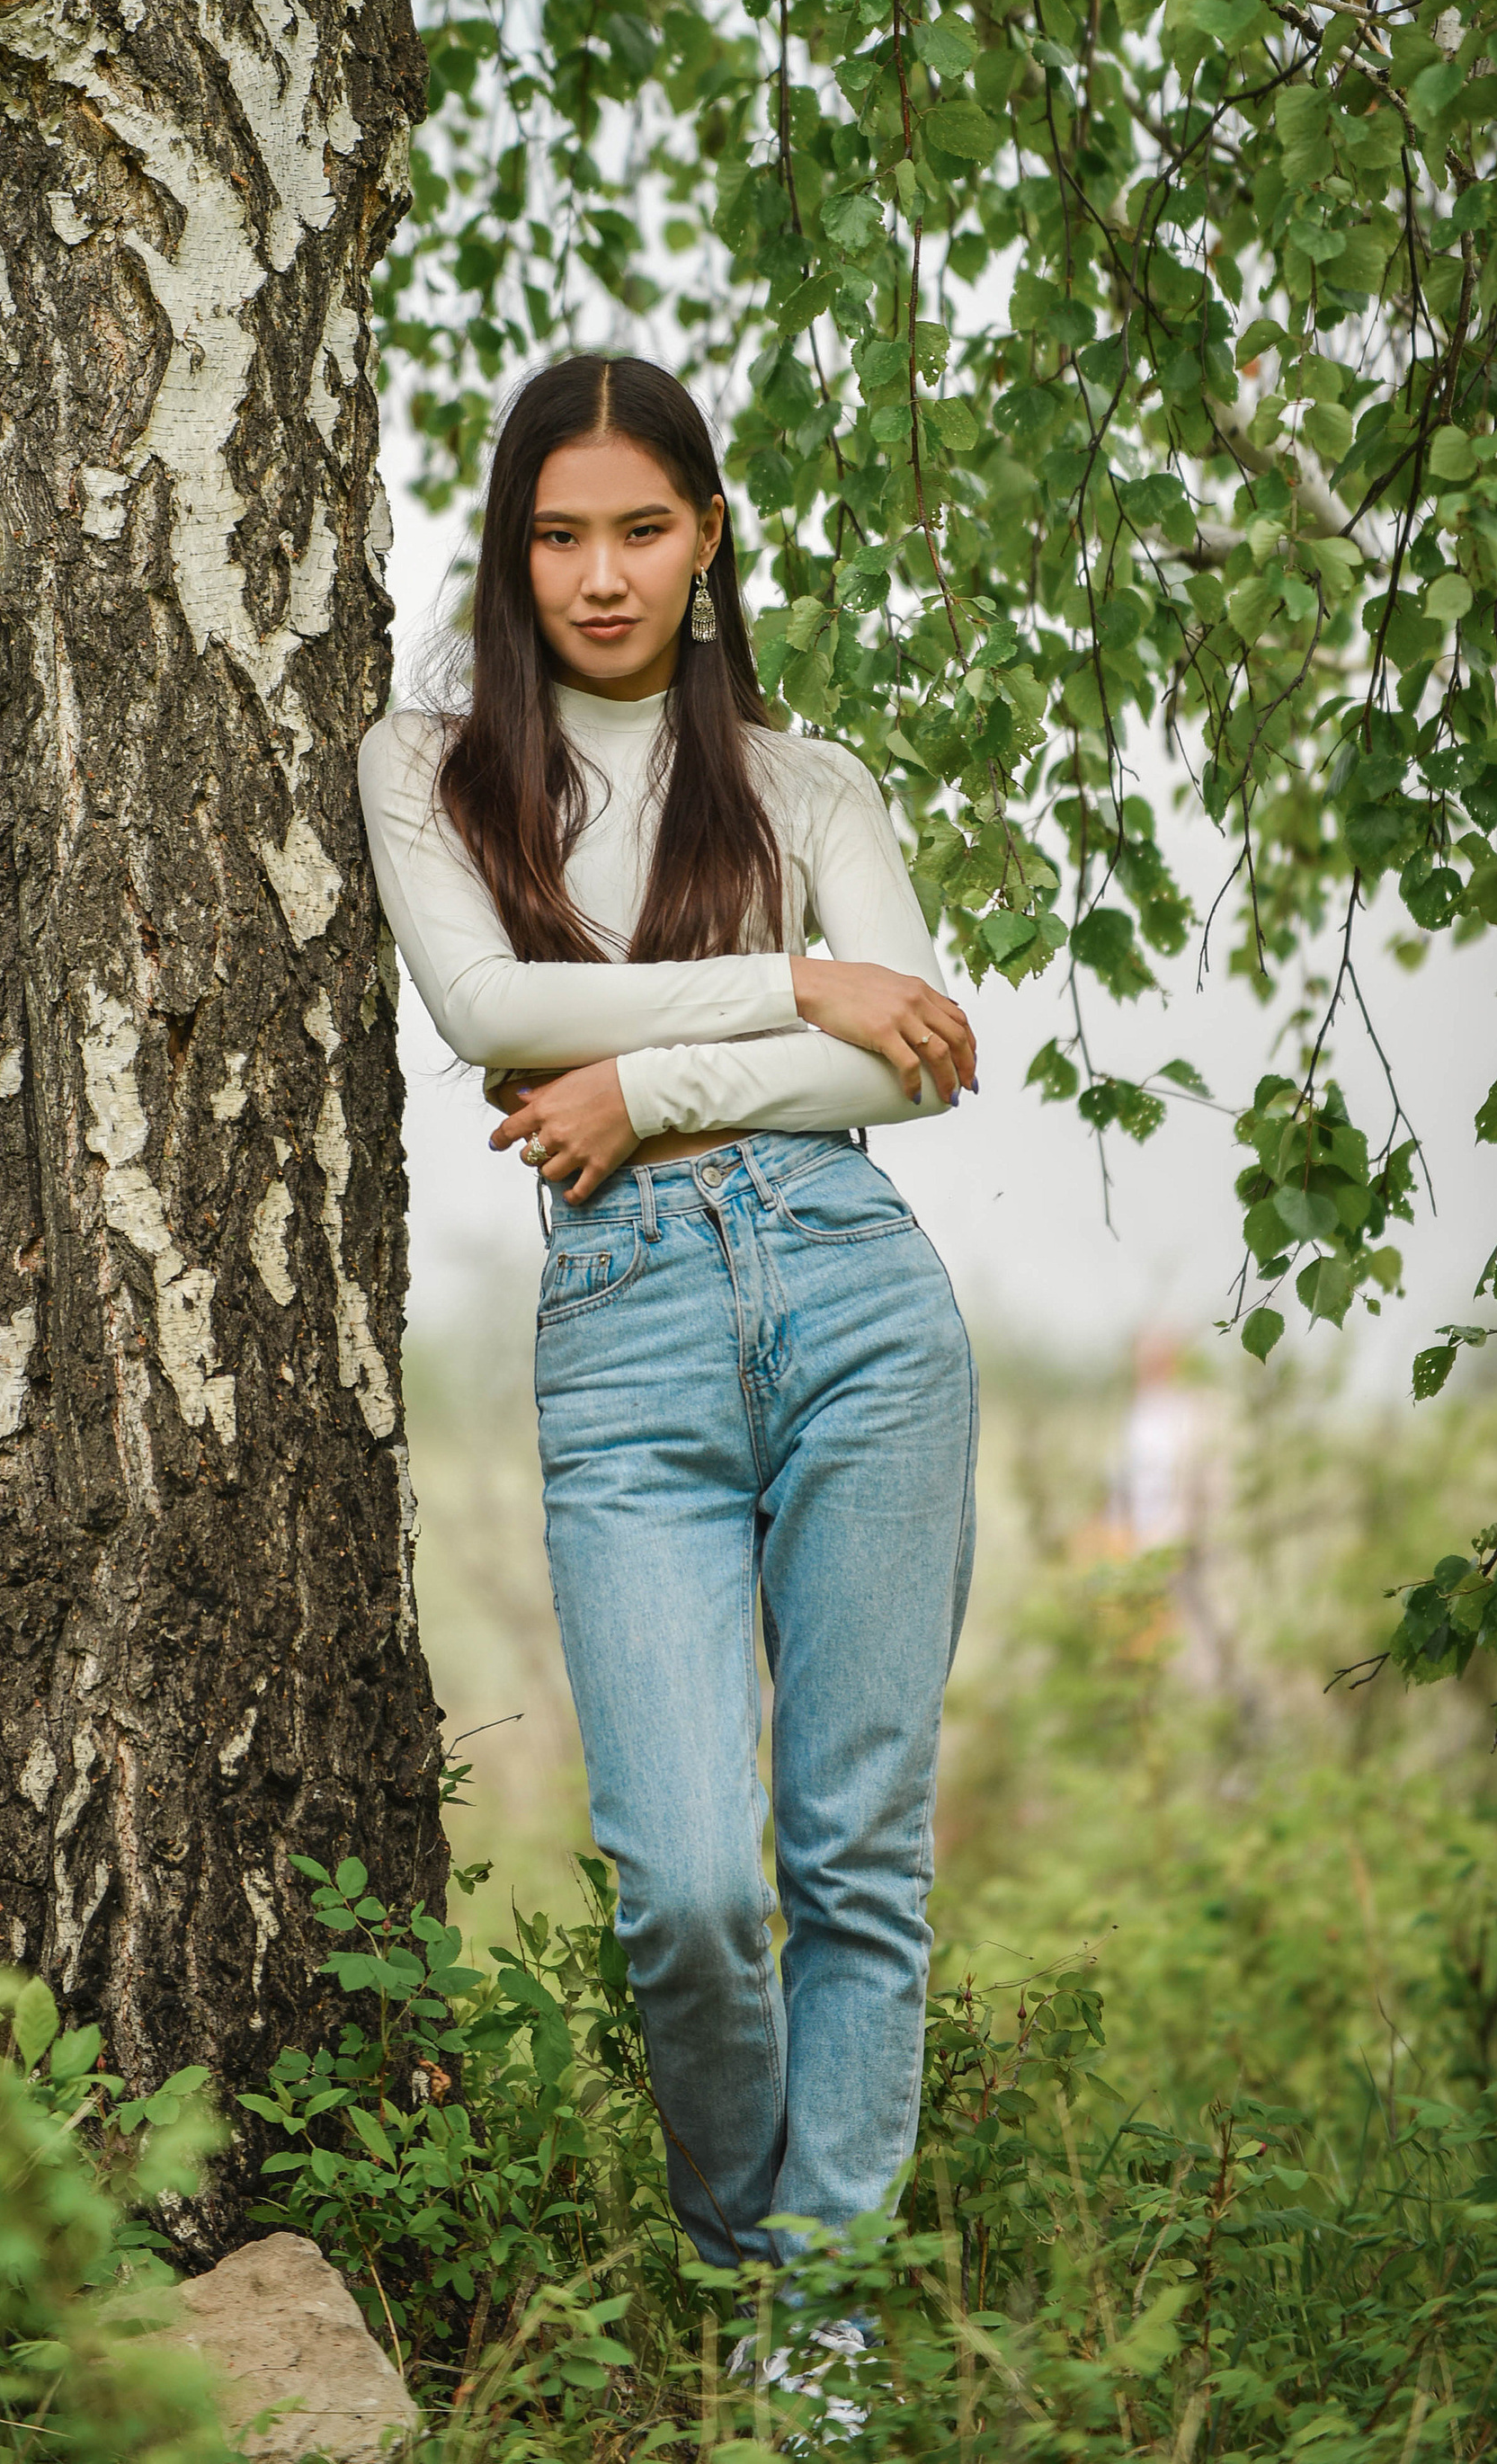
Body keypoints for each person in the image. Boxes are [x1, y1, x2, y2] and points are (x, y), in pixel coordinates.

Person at [358, 353, 978, 2390]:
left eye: (639, 528)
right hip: (621, 1329)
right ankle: (745, 2263)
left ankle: (806, 2346)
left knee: (851, 1855)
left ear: (706, 539)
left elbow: (921, 1059)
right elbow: (477, 1001)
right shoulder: (431, 767)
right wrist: (792, 981)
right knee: (690, 1886)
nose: (599, 575)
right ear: (511, 549)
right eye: (557, 534)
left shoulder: (814, 793)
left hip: (852, 1294)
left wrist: (639, 1076)